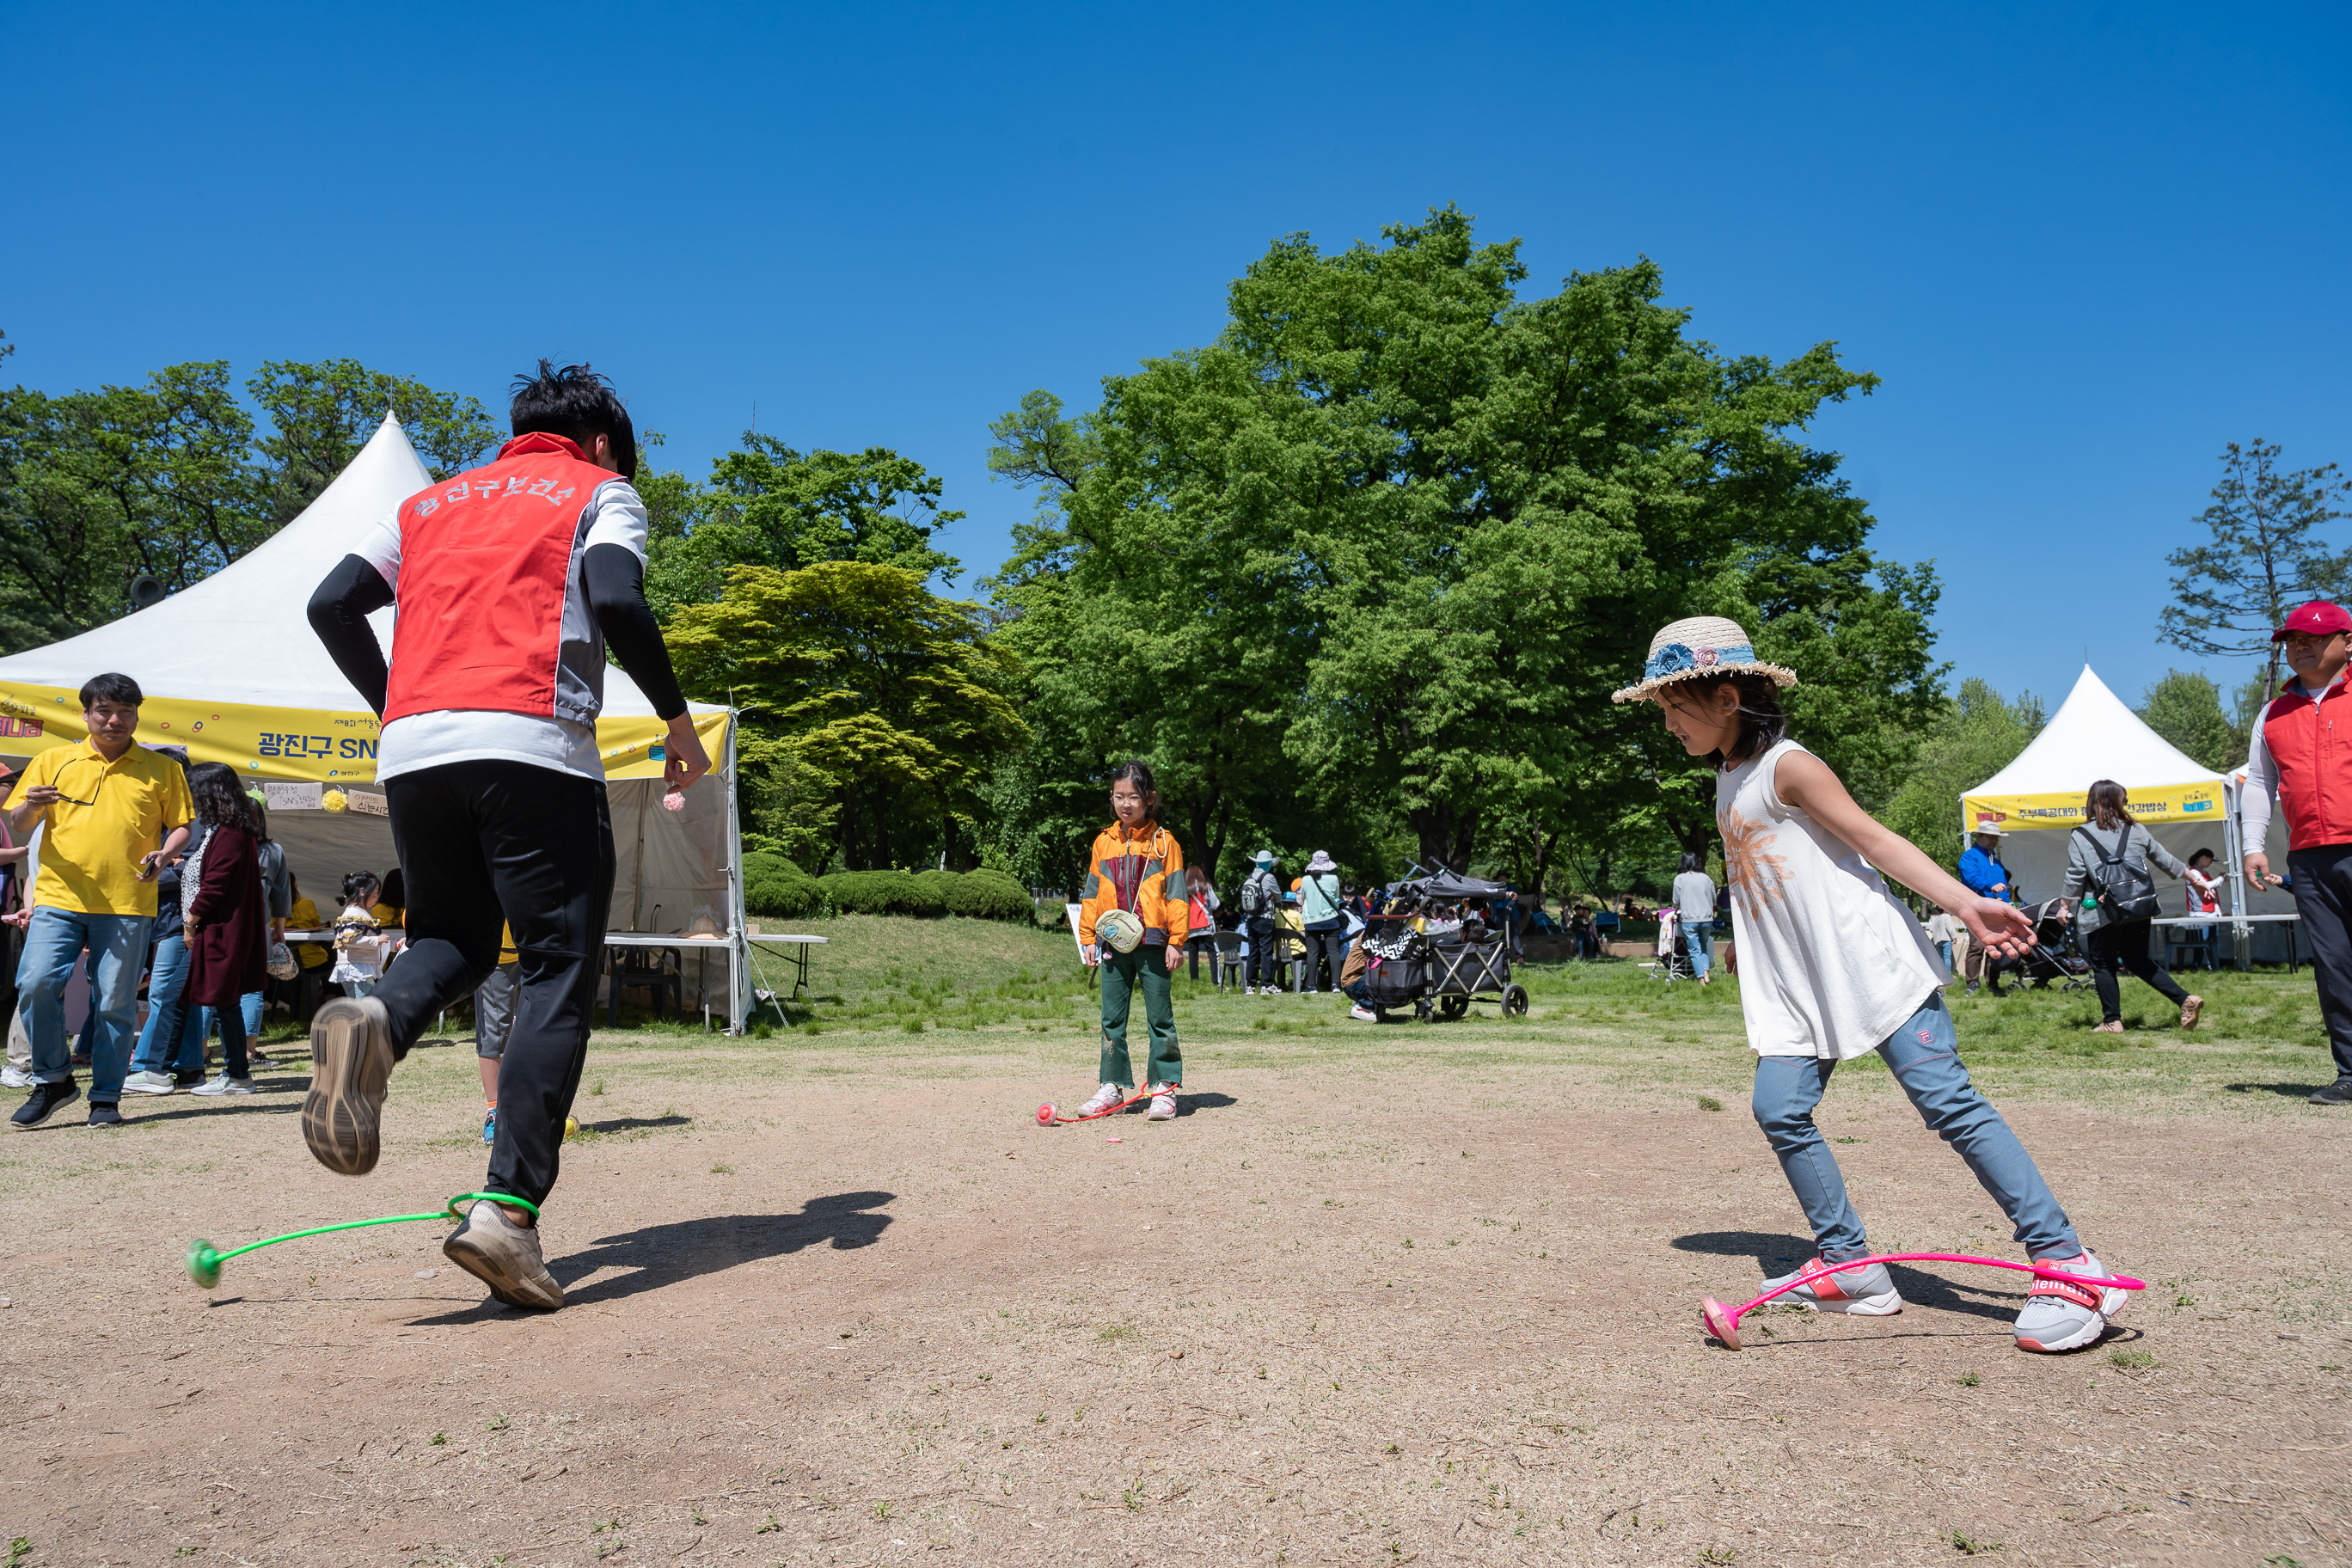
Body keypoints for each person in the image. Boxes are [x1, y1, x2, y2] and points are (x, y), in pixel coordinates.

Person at [306, 361, 708, 1311]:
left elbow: (330, 604)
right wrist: (677, 723)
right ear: (604, 442)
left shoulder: (426, 504)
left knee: (451, 938)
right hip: (533, 743)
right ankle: (508, 1214)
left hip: (414, 747)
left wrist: (399, 705)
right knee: (558, 969)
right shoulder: (600, 491)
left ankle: (379, 1017)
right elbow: (614, 599)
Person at [1616, 614, 2133, 1352]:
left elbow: (1875, 840)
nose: (1666, 723)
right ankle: (1851, 1264)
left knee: (1949, 1104)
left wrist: (1965, 903)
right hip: (1798, 985)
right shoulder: (1729, 776)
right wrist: (1742, 944)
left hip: (1869, 966)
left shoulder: (1789, 764)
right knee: (1779, 1108)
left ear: (1727, 697)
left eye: (1674, 706)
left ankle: (2070, 1266)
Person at [7, 674, 194, 1130]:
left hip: (129, 901)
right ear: (86, 713)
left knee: (114, 1001)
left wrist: (167, 852)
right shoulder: (53, 759)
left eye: (125, 712)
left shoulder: (162, 768)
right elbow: (18, 824)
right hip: (59, 897)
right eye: (104, 711)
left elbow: (184, 826)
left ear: (136, 715)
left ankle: (106, 1096)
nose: (115, 720)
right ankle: (54, 1081)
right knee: (34, 984)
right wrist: (32, 805)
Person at [2240, 599, 2352, 1106]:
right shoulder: (2273, 712)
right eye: (2291, 640)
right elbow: (2260, 783)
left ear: (2347, 643)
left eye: (2314, 637)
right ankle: (2350, 1073)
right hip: (2308, 858)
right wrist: (2253, 846)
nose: (2300, 646)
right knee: (2334, 967)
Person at [1072, 761, 1188, 1123]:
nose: (1126, 804)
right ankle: (1111, 1085)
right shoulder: (1102, 843)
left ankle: (1164, 1088)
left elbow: (1178, 895)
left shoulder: (1165, 844)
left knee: (1160, 1018)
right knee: (1111, 1019)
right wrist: (1088, 938)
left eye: (1133, 797)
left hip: (1154, 941)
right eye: (1119, 797)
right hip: (1110, 943)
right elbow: (1091, 894)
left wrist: (1177, 941)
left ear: (1149, 799)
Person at [2061, 780, 2202, 1034]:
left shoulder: (2081, 835)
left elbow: (2076, 874)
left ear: (2092, 803)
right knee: (2137, 960)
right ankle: (2185, 1000)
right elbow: (2164, 858)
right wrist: (2195, 878)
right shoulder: (2135, 828)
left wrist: (2063, 905)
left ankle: (2112, 1021)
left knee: (2103, 963)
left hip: (2104, 911)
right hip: (2138, 905)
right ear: (2118, 802)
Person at [122, 747, 207, 1096]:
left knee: (162, 993)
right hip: (159, 919)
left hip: (180, 920)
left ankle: (145, 1065)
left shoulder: (193, 822)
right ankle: (189, 1067)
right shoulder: (153, 816)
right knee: (177, 994)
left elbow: (195, 870)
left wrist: (154, 872)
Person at [181, 764, 269, 1097]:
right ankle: (229, 1071)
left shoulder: (230, 832)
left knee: (224, 1001)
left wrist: (191, 921)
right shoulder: (231, 829)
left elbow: (215, 883)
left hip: (223, 929)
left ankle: (236, 1073)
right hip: (224, 928)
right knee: (219, 1001)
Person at [473, 922, 520, 1145]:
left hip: (539, 950)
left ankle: (535, 1109)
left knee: (539, 1028)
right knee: (494, 1033)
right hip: (497, 953)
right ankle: (494, 1114)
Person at [1956, 824, 2016, 995]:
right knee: (1977, 946)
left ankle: (1993, 983)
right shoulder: (1969, 857)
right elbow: (1971, 877)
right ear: (1979, 837)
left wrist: (2007, 904)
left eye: (1996, 838)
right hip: (1976, 909)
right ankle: (1973, 984)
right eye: (1990, 837)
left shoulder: (1997, 863)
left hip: (1997, 911)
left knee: (1997, 947)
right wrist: (1990, 885)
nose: (1994, 841)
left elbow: (2003, 887)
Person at [328, 873, 388, 999]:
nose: (377, 897)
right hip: (355, 969)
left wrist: (393, 944)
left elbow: (370, 939)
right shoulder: (353, 913)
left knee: (367, 1006)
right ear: (362, 892)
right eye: (375, 892)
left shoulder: (360, 913)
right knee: (366, 1006)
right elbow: (350, 940)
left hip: (361, 968)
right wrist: (376, 940)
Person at [1298, 851, 1346, 993]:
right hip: (1330, 919)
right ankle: (1336, 984)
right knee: (1333, 952)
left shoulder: (1306, 880)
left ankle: (1312, 985)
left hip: (1311, 920)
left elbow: (1303, 897)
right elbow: (1336, 897)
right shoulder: (1333, 878)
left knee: (1312, 953)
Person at [1239, 850, 1282, 995]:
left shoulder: (1249, 878)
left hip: (1250, 919)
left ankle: (1250, 986)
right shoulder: (1269, 877)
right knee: (1266, 952)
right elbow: (1279, 897)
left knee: (1253, 951)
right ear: (1268, 863)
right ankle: (1267, 985)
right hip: (1265, 919)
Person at [1671, 851, 1718, 983]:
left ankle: (1701, 979)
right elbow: (1714, 898)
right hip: (1707, 918)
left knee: (1694, 949)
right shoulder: (1706, 878)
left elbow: (1676, 901)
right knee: (1704, 947)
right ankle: (1706, 973)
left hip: (1689, 919)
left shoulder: (1679, 879)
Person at [2179, 848, 2222, 969]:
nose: (2211, 863)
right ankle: (2200, 965)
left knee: (2211, 941)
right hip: (2201, 913)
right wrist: (2221, 879)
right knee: (2202, 942)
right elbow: (2206, 886)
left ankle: (2210, 965)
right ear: (2203, 858)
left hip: (2210, 912)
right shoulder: (2194, 872)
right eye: (2210, 860)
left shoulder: (2202, 871)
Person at [1182, 868, 1220, 981]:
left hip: (1191, 925)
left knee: (1193, 955)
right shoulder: (1206, 887)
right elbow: (1216, 904)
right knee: (1212, 953)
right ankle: (1215, 980)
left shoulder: (1185, 889)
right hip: (1205, 925)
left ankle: (1194, 980)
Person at [1924, 908, 1959, 980]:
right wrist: (1954, 937)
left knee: (1941, 957)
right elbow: (1950, 927)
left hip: (1938, 940)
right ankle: (1948, 974)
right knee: (1947, 957)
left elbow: (1932, 929)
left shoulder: (1936, 919)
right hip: (1946, 939)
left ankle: (1941, 973)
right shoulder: (1947, 916)